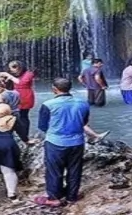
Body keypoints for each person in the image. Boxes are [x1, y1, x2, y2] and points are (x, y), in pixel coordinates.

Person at [33, 78, 90, 208]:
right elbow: (84, 122)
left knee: (54, 171)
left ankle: (54, 198)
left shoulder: (48, 104)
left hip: (55, 142)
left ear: (54, 88)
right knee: (75, 170)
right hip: (77, 142)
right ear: (70, 88)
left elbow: (42, 126)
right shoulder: (83, 103)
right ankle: (72, 197)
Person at [0, 61, 36, 141]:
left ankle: (24, 135)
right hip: (14, 96)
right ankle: (12, 134)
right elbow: (6, 85)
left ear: (19, 67)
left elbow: (21, 83)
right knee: (11, 115)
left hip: (25, 96)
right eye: (10, 68)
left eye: (13, 68)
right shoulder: (15, 75)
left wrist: (8, 75)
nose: (12, 70)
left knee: (23, 116)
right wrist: (2, 80)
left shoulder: (28, 74)